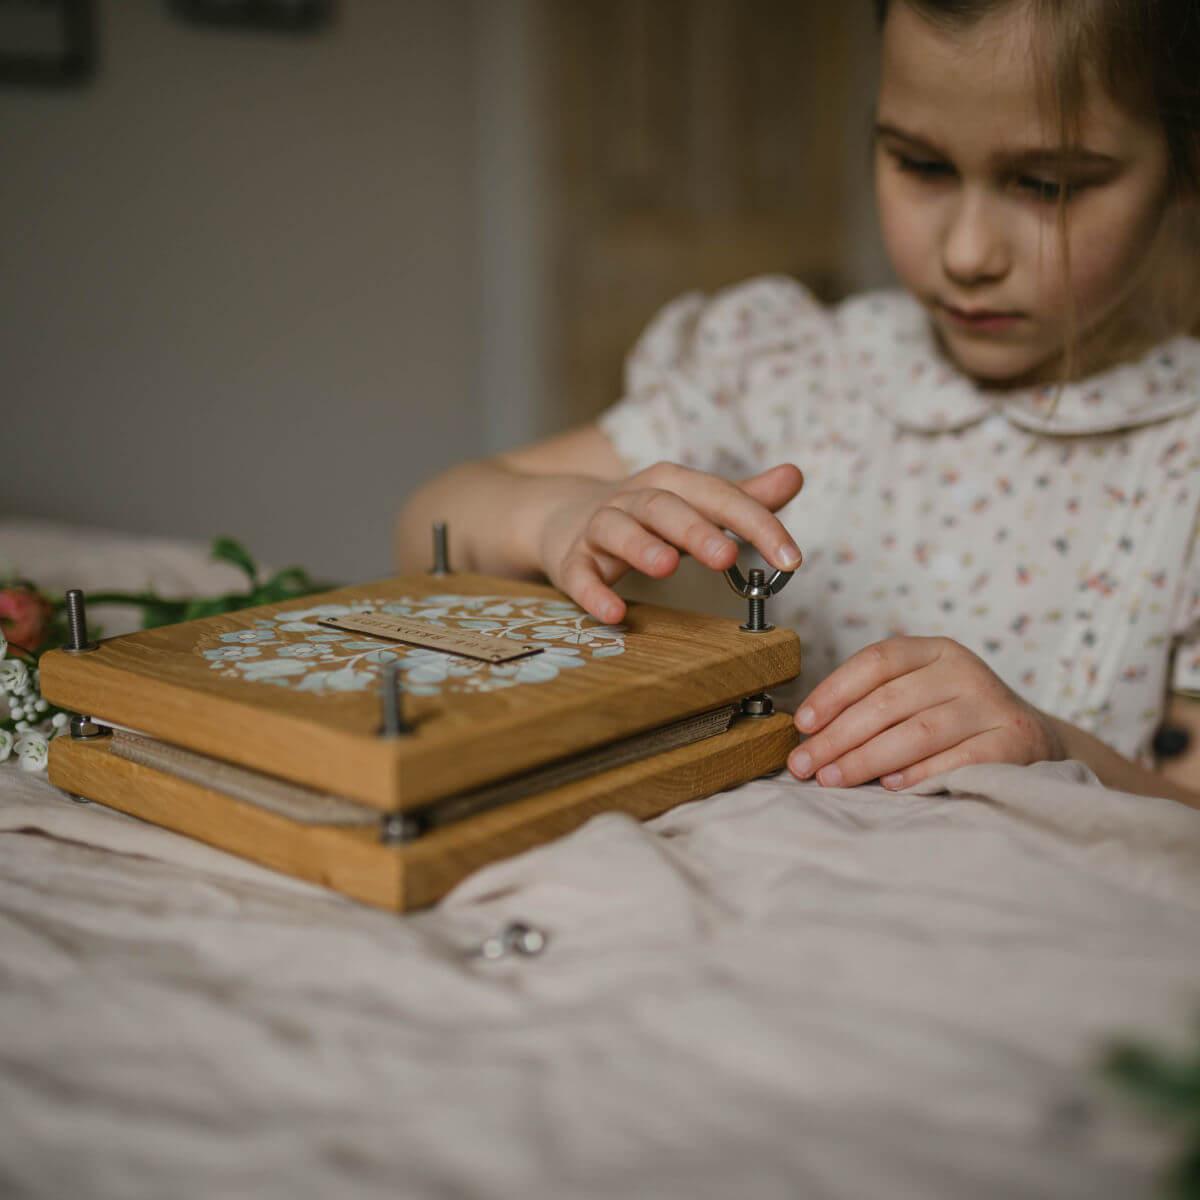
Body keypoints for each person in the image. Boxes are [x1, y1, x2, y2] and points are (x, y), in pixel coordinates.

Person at [397, 0, 1200, 809]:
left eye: (1045, 184)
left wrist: (1053, 747)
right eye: (920, 164)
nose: (967, 254)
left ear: (1185, 166)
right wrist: (553, 519)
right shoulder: (782, 368)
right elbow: (431, 526)